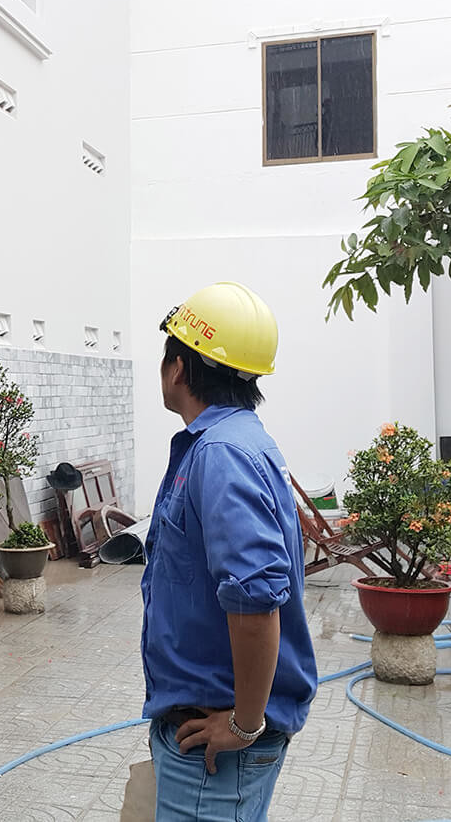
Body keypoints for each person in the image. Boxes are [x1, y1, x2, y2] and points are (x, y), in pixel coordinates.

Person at [141, 282, 317, 821]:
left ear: (179, 367)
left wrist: (243, 723)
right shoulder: (234, 440)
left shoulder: (221, 454)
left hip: (213, 745)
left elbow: (255, 599)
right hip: (202, 725)